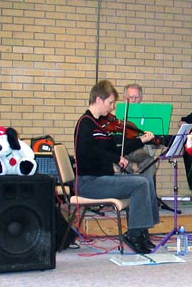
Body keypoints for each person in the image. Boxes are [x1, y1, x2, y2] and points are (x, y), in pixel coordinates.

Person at [74, 80, 160, 254]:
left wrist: (140, 140)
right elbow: (86, 154)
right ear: (98, 100)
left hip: (102, 178)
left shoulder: (99, 125)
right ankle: (134, 234)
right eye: (110, 103)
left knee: (145, 180)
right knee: (140, 184)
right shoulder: (85, 124)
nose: (112, 108)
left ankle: (142, 231)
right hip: (89, 182)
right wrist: (115, 158)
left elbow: (116, 148)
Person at [121, 83, 157, 183]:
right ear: (125, 98)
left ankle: (147, 194)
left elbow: (155, 144)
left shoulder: (147, 116)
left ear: (141, 98)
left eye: (136, 97)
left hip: (142, 152)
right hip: (124, 151)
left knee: (150, 162)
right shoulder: (118, 116)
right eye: (130, 97)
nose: (133, 100)